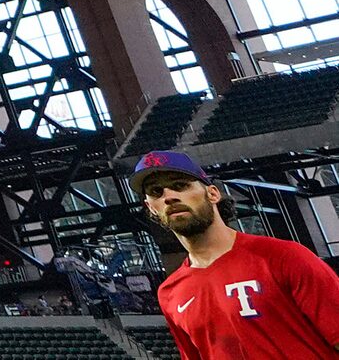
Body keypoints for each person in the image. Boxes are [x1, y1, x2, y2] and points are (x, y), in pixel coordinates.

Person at [139, 149, 339, 359]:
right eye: (156, 192)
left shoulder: (283, 256)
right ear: (151, 208)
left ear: (213, 193)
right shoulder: (170, 293)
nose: (169, 196)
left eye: (180, 185)